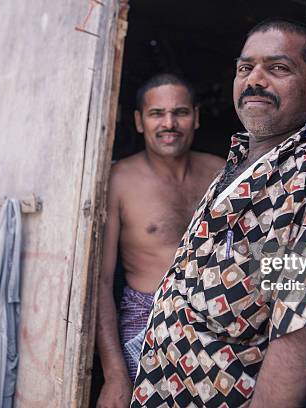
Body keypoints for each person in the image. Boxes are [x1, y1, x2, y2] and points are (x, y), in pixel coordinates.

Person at [130, 19, 306, 408]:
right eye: (245, 68)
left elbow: (295, 333)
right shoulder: (240, 161)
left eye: (278, 68)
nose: (255, 80)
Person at [96, 73, 225, 408]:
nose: (170, 123)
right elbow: (101, 281)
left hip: (216, 326)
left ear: (196, 117)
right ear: (140, 121)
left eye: (180, 112)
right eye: (157, 114)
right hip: (145, 326)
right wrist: (114, 374)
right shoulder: (118, 180)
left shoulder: (222, 172)